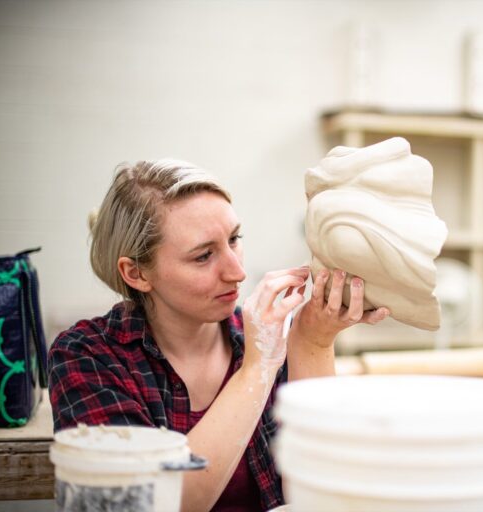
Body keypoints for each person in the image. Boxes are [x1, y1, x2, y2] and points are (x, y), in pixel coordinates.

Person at [48, 159, 389, 512]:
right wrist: (257, 368)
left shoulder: (266, 339)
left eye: (234, 239)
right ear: (136, 273)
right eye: (203, 256)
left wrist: (313, 341)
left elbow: (318, 491)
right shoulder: (86, 356)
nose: (238, 272)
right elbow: (152, 503)